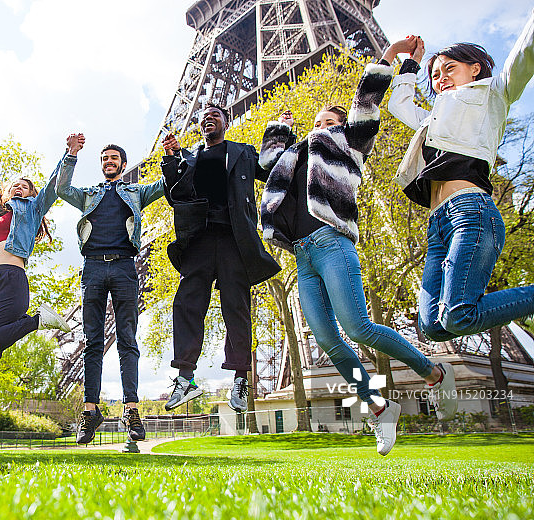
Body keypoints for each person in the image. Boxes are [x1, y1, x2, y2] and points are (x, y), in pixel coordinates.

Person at [259, 48, 457, 456]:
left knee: (359, 328)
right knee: (331, 342)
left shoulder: (349, 142)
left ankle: (433, 372)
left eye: (328, 122)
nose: (320, 127)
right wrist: (281, 126)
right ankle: (379, 406)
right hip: (302, 257)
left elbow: (366, 101)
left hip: (332, 243)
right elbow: (266, 162)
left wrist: (393, 58)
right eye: (315, 123)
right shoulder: (292, 158)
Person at [386, 11, 534, 345]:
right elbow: (399, 104)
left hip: (471, 212)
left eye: (449, 68)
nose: (440, 79)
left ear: (475, 68)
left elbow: (525, 52)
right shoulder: (433, 121)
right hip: (437, 223)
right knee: (433, 326)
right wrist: (409, 61)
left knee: (458, 314)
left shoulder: (493, 93)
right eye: (435, 75)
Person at [160, 104, 281, 414]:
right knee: (187, 303)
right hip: (199, 239)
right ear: (199, 125)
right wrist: (172, 159)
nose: (208, 117)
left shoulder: (242, 152)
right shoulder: (189, 157)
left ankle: (241, 378)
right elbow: (175, 195)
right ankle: (185, 378)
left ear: (226, 121)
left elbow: (273, 172)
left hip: (233, 240)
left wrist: (279, 133)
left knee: (236, 308)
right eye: (204, 115)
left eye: (215, 113)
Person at [57, 138, 164, 444]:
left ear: (122, 163)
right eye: (105, 158)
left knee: (127, 339)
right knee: (92, 341)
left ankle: (130, 409)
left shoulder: (136, 192)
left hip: (124, 267)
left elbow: (163, 185)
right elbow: (63, 188)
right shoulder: (90, 194)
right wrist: (72, 155)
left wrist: (171, 156)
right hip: (92, 266)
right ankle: (90, 411)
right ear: (101, 163)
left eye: (114, 158)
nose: (109, 161)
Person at [0, 138, 77, 367]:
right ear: (8, 192)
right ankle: (30, 322)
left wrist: (70, 153)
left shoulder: (32, 209)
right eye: (14, 186)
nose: (19, 187)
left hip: (12, 278)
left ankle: (38, 320)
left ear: (31, 194)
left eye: (25, 186)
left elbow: (53, 186)